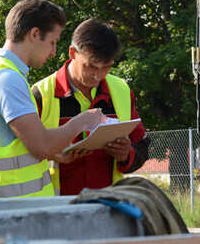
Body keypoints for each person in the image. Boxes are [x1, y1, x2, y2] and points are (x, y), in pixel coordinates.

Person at [0, 0, 105, 199]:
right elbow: (41, 145)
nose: (53, 52)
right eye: (52, 42)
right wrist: (82, 122)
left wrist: (53, 153)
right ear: (34, 34)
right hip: (15, 212)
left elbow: (3, 144)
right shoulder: (8, 79)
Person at [32, 18, 149, 195]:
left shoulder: (122, 90)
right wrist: (52, 154)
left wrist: (126, 154)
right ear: (72, 53)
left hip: (108, 206)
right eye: (91, 66)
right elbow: (22, 152)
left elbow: (141, 146)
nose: (98, 75)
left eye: (106, 67)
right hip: (56, 209)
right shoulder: (41, 94)